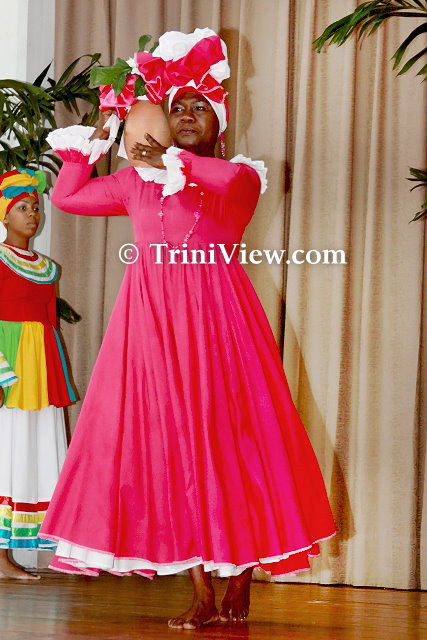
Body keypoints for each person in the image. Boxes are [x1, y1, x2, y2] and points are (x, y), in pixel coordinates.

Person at [39, 29, 336, 628]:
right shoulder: (136, 182)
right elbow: (68, 197)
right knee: (172, 448)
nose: (188, 115)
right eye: (179, 108)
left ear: (219, 123)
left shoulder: (238, 174)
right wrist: (98, 136)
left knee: (235, 443)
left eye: (201, 107)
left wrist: (172, 161)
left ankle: (241, 577)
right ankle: (201, 590)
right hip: (149, 323)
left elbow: (227, 186)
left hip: (220, 320)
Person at [0, 168, 75, 580]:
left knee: (32, 445)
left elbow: (50, 323)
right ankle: (1, 557)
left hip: (40, 367)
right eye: (23, 208)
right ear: (4, 215)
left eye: (36, 208)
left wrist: (53, 373)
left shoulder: (47, 268)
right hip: (9, 365)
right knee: (6, 447)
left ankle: (14, 550)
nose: (32, 215)